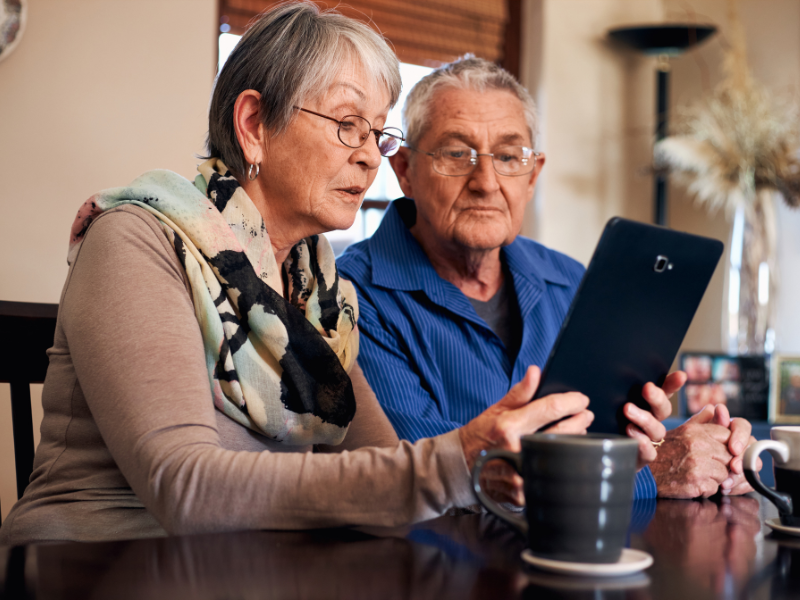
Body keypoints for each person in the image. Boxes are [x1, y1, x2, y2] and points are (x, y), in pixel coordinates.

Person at [0, 3, 600, 546]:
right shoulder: (138, 239)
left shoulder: (321, 295)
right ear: (255, 123)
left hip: (252, 567)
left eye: (377, 130)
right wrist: (455, 459)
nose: (369, 155)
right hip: (95, 565)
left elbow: (388, 476)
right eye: (347, 123)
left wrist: (489, 471)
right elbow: (181, 486)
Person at [338, 57, 758, 502]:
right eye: (457, 154)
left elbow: (612, 435)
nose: (486, 181)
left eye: (508, 156)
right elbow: (422, 474)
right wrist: (648, 474)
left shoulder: (570, 280)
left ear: (533, 174)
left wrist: (702, 451)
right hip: (434, 565)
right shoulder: (349, 295)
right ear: (404, 170)